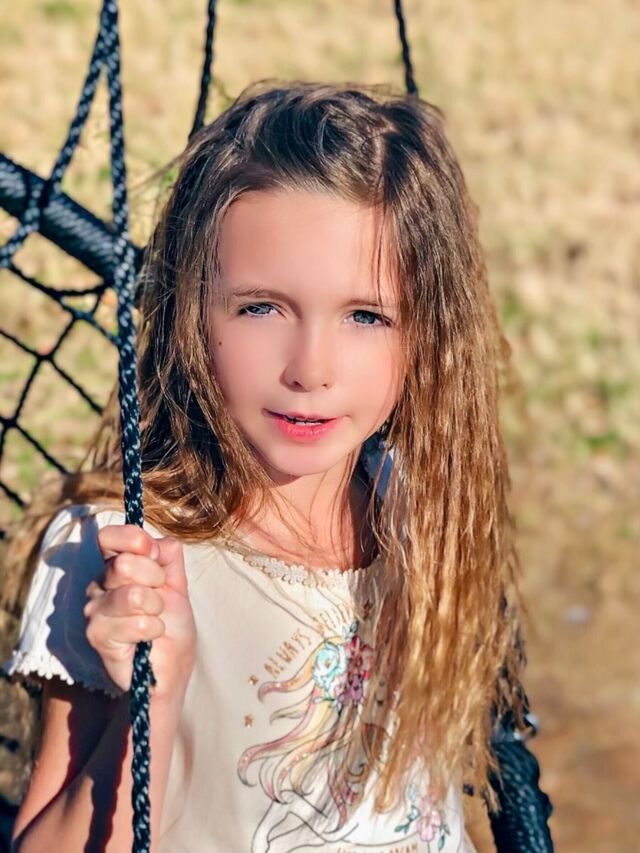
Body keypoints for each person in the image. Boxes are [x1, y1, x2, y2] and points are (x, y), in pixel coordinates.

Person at [2, 80, 531, 852]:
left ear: (426, 333)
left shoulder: (414, 508)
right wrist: (152, 703)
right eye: (261, 308)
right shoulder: (123, 551)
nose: (310, 369)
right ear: (192, 312)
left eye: (365, 315)